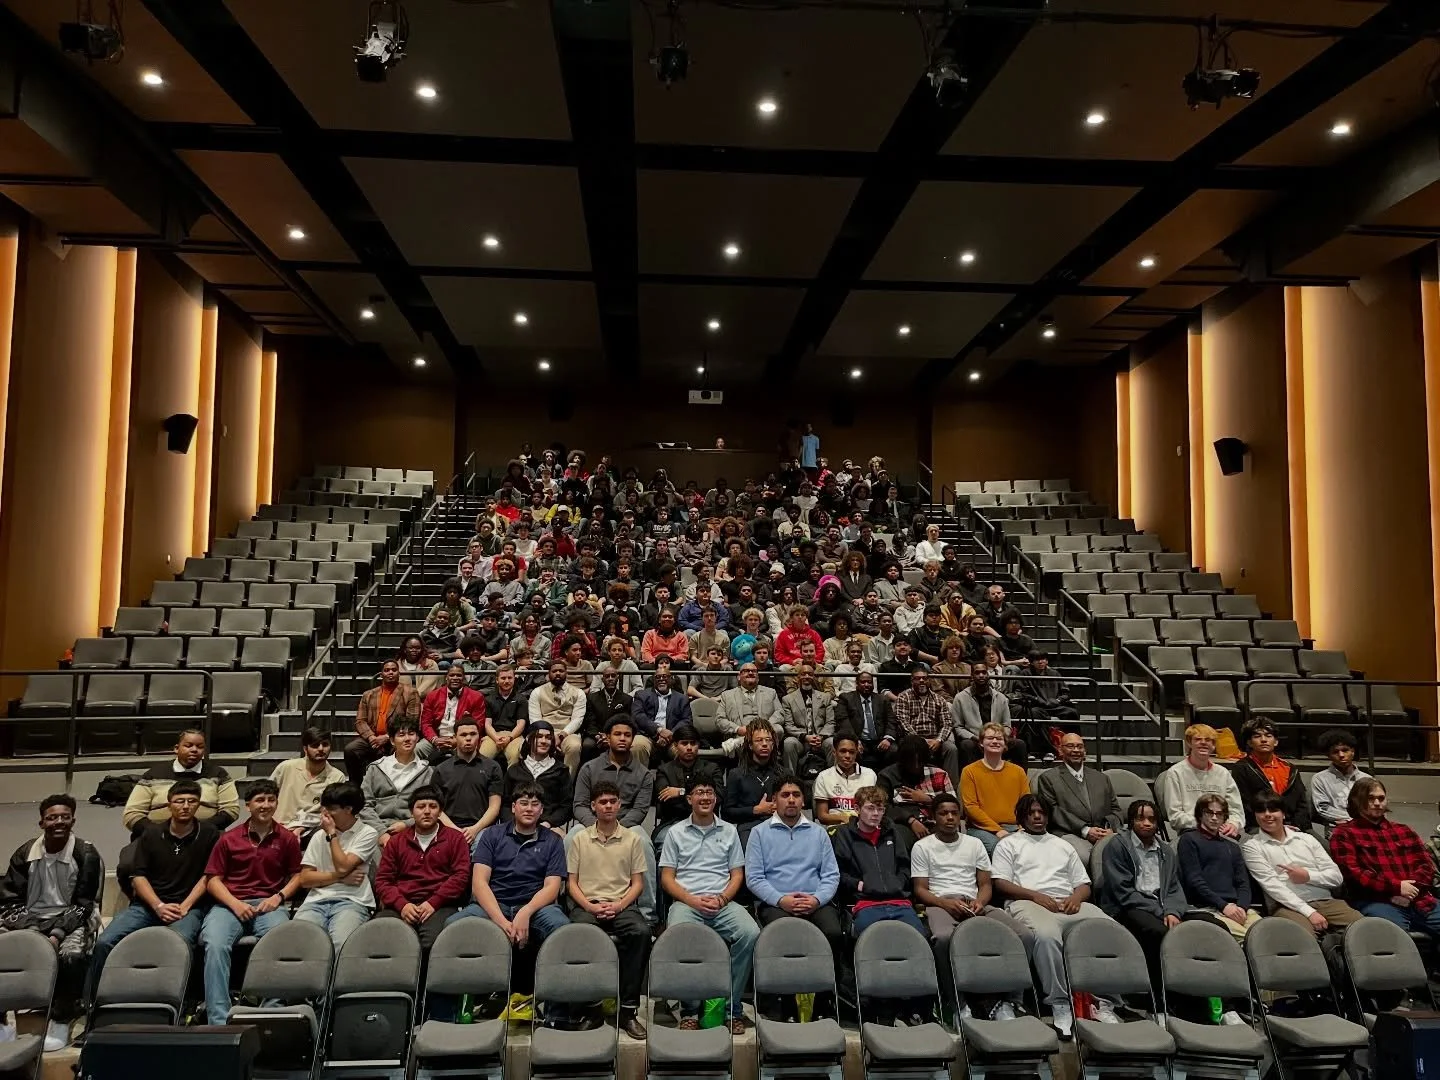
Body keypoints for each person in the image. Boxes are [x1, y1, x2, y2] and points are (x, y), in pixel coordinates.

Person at [991, 795, 1117, 1037]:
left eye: (1042, 812)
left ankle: (1104, 1002)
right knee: (1046, 936)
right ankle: (1059, 1002)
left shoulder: (1062, 845)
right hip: (1027, 902)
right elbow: (1001, 883)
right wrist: (1035, 896)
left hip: (1067, 902)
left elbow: (1083, 884)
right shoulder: (1009, 844)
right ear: (1021, 817)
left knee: (1107, 927)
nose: (1037, 817)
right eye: (1031, 813)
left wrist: (1077, 898)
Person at [910, 792, 1031, 1016]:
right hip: (941, 903)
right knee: (944, 938)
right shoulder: (923, 847)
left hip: (974, 902)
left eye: (954, 813)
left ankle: (1012, 998)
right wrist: (945, 903)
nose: (949, 818)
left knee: (1025, 935)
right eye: (943, 813)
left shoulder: (974, 844)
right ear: (934, 817)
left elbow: (985, 884)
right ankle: (956, 1000)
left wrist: (980, 901)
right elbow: (920, 890)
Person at [90, 782, 217, 991]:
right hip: (147, 907)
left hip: (187, 908)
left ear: (198, 805)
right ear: (169, 805)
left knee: (179, 943)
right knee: (105, 942)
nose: (185, 806)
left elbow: (209, 876)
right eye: (179, 801)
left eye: (191, 801)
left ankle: (177, 1001)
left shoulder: (210, 834)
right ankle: (94, 1002)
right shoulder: (151, 834)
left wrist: (185, 906)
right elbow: (138, 876)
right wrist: (158, 906)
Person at [449, 781, 570, 997]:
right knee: (454, 926)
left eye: (535, 804)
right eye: (523, 803)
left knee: (562, 930)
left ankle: (556, 1010)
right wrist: (501, 921)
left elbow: (552, 887)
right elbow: (479, 883)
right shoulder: (492, 835)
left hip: (536, 907)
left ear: (542, 810)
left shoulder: (553, 841)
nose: (529, 809)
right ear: (513, 807)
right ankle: (455, 1006)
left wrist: (526, 911)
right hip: (495, 904)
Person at [0, 795, 101, 1050]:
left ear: (73, 820)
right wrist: (33, 931)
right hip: (29, 919)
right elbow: (9, 901)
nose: (59, 822)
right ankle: (2, 1023)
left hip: (72, 917)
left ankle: (61, 1016)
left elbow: (84, 904)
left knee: (72, 955)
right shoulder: (25, 853)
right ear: (41, 823)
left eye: (65, 817)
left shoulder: (86, 853)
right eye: (52, 817)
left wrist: (56, 934)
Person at [659, 776, 758, 1034]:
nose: (705, 797)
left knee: (750, 934)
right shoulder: (675, 832)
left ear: (715, 798)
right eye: (699, 793)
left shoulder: (729, 830)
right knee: (679, 936)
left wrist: (723, 898)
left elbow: (737, 874)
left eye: (710, 793)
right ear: (689, 798)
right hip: (687, 901)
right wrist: (691, 899)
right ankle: (690, 1009)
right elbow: (667, 878)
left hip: (721, 901)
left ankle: (730, 1007)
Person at [200, 779, 302, 1025]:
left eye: (271, 800)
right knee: (214, 944)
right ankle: (219, 1019)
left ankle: (270, 1012)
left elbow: (298, 876)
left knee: (281, 942)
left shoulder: (287, 838)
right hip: (230, 903)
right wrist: (235, 904)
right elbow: (213, 879)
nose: (265, 805)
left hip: (269, 904)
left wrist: (278, 897)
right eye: (259, 800)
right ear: (248, 805)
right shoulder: (229, 839)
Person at [566, 780, 651, 1039]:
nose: (608, 806)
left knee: (641, 932)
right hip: (587, 904)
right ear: (593, 806)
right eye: (602, 802)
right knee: (581, 934)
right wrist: (590, 905)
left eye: (612, 801)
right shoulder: (579, 839)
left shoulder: (632, 839)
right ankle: (591, 1008)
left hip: (621, 903)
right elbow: (571, 883)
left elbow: (637, 884)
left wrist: (619, 905)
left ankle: (627, 1011)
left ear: (620, 804)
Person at [1096, 799, 1187, 997]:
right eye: (1140, 818)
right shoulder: (1117, 846)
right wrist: (1161, 911)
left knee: (1207, 926)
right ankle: (1160, 996)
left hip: (1163, 907)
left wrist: (1172, 911)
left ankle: (1215, 1000)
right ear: (1131, 821)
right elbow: (1123, 891)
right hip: (1126, 907)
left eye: (1152, 820)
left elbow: (1174, 887)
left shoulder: (1166, 851)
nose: (1147, 823)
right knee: (1158, 932)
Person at [1330, 777, 1440, 940]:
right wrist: (1396, 888)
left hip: (1419, 899)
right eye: (1370, 798)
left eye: (1381, 798)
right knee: (1392, 940)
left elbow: (1426, 866)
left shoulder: (1404, 830)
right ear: (1356, 801)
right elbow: (1354, 874)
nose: (1377, 803)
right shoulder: (1344, 833)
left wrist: (1409, 891)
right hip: (1376, 901)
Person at [745, 774, 842, 953]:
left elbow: (831, 875)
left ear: (803, 800)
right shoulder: (759, 833)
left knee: (833, 933)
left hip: (815, 900)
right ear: (774, 799)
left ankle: (833, 979)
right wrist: (781, 900)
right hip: (776, 903)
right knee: (785, 935)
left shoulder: (819, 832)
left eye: (796, 795)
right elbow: (754, 878)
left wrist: (817, 899)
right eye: (785, 795)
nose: (791, 800)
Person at [1243, 793, 1360, 936]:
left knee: (1364, 928)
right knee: (1302, 937)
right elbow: (1272, 885)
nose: (1267, 814)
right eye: (1261, 811)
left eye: (1273, 810)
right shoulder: (1252, 846)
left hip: (1326, 901)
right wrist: (1309, 912)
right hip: (1286, 906)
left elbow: (1336, 877)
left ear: (1283, 814)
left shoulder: (1306, 839)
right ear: (1255, 816)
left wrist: (1308, 876)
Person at [373, 787, 471, 949]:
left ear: (440, 812)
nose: (427, 811)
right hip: (401, 905)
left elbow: (460, 877)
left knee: (434, 943)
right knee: (385, 939)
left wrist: (433, 902)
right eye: (421, 807)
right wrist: (402, 904)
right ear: (412, 812)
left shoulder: (455, 839)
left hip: (440, 905)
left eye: (433, 806)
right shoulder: (397, 841)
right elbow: (383, 880)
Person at [295, 782, 380, 949]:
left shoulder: (367, 833)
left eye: (331, 809)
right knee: (300, 942)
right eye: (323, 808)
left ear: (348, 809)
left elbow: (342, 866)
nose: (324, 814)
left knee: (341, 943)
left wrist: (332, 835)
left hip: (352, 900)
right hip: (315, 901)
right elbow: (305, 879)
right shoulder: (319, 836)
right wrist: (340, 878)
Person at [831, 787, 924, 935]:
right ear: (857, 809)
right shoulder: (844, 834)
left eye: (880, 809)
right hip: (864, 903)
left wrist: (897, 883)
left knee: (919, 937)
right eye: (870, 808)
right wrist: (859, 885)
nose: (875, 814)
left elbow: (904, 866)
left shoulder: (893, 833)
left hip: (899, 902)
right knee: (869, 939)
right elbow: (839, 871)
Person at [121, 729, 239, 838]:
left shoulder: (218, 774)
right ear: (176, 748)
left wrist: (199, 829)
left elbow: (231, 810)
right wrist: (157, 832)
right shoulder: (153, 774)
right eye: (188, 745)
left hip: (206, 836)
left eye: (200, 746)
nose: (194, 750)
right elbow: (132, 813)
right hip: (157, 836)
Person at [1176, 794, 1259, 939]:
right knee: (1250, 939)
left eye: (1219, 814)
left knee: (1268, 935)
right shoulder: (1189, 840)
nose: (1214, 818)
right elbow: (1195, 881)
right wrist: (1224, 906)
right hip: (1207, 908)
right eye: (1209, 813)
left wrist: (1242, 908)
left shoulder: (1232, 847)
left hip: (1237, 908)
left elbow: (1243, 883)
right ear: (1200, 815)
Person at [1033, 733, 1120, 864]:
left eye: (1080, 747)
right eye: (1070, 746)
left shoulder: (1101, 778)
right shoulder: (1048, 778)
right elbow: (1053, 811)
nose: (1076, 750)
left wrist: (1109, 829)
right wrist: (1086, 830)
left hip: (1103, 833)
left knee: (1124, 853)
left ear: (1085, 751)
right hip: (1069, 833)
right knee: (1084, 857)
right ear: (1060, 750)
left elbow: (1115, 809)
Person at [1154, 724, 1243, 835]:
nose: (1203, 743)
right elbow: (1175, 816)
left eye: (1208, 740)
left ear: (1214, 745)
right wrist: (1207, 824)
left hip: (1222, 831)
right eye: (1198, 739)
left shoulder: (1223, 773)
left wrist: (1233, 824)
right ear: (1189, 743)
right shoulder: (1175, 773)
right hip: (1191, 831)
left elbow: (1236, 810)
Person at [345, 660, 423, 785]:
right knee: (351, 749)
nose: (390, 673)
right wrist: (371, 737)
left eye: (394, 670)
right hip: (372, 739)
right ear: (381, 674)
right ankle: (356, 786)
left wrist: (388, 737)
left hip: (396, 738)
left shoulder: (410, 693)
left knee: (401, 749)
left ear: (399, 673)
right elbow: (360, 721)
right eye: (387, 670)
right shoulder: (368, 695)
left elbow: (411, 721)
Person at [359, 719, 435, 847]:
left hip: (415, 830)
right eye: (401, 735)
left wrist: (407, 824)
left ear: (417, 738)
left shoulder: (427, 772)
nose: (407, 739)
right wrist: (381, 832)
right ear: (392, 740)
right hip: (376, 829)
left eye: (411, 734)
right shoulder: (376, 768)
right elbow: (363, 804)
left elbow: (433, 808)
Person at [1230, 718, 1312, 833]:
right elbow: (1245, 805)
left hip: (1294, 827)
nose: (1263, 740)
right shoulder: (1242, 768)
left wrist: (1297, 827)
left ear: (1276, 741)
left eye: (1268, 736)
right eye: (1257, 736)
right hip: (1258, 827)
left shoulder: (1290, 768)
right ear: (1249, 742)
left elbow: (1301, 804)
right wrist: (1277, 827)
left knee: (1323, 847)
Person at [960, 723, 1030, 855]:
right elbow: (971, 807)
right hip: (982, 829)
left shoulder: (1018, 771)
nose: (995, 741)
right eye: (990, 738)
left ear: (1005, 744)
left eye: (999, 738)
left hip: (1016, 828)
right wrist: (998, 830)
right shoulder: (969, 771)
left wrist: (1022, 828)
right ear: (981, 743)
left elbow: (1026, 804)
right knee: (1002, 850)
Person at [432, 718, 504, 845]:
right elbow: (436, 808)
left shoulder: (492, 767)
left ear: (479, 736)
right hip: (448, 828)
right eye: (463, 735)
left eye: (473, 734)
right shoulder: (441, 769)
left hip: (483, 828)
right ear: (455, 738)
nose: (468, 738)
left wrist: (475, 830)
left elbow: (495, 806)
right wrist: (455, 831)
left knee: (482, 847)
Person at [652, 725, 721, 851]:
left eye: (693, 743)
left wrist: (680, 792)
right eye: (684, 743)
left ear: (698, 745)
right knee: (663, 844)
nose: (689, 748)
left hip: (705, 822)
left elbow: (719, 797)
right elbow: (666, 799)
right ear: (675, 746)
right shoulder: (665, 770)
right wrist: (700, 798)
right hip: (673, 821)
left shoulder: (711, 768)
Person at [877, 734, 955, 844]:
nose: (916, 766)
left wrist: (928, 799)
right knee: (899, 837)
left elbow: (953, 805)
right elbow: (881, 807)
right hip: (903, 824)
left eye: (920, 762)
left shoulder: (939, 774)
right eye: (911, 763)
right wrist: (910, 820)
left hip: (935, 822)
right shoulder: (887, 776)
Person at [270, 727, 346, 838]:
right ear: (305, 749)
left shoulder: (337, 777)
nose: (321, 749)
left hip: (310, 831)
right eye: (315, 745)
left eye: (325, 745)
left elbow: (331, 813)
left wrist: (301, 828)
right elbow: (265, 794)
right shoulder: (286, 767)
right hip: (278, 827)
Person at [890, 668, 961, 780]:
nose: (922, 681)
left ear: (930, 681)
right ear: (912, 681)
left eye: (925, 678)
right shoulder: (904, 697)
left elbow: (947, 723)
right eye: (918, 679)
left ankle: (952, 787)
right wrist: (920, 740)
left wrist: (938, 740)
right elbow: (902, 721)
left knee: (951, 748)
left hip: (934, 739)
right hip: (911, 738)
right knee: (911, 747)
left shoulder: (939, 699)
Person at [502, 722, 572, 834]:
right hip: (516, 827)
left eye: (548, 738)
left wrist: (549, 823)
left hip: (549, 828)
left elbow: (566, 806)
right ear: (529, 739)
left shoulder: (561, 771)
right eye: (539, 737)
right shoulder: (514, 770)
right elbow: (505, 804)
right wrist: (515, 824)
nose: (544, 741)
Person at [723, 721, 785, 844]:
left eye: (768, 740)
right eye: (759, 740)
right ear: (750, 745)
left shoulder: (784, 774)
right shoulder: (736, 774)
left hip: (779, 825)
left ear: (773, 744)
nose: (764, 744)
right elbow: (726, 813)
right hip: (749, 827)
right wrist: (755, 810)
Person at [529, 660, 589, 774]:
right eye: (554, 671)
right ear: (549, 673)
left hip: (568, 732)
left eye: (561, 671)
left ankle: (567, 783)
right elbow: (535, 719)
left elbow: (577, 719)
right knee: (531, 743)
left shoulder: (578, 693)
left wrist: (561, 735)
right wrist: (548, 736)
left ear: (566, 673)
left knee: (574, 746)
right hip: (543, 731)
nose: (557, 673)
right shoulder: (537, 692)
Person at [420, 665, 487, 763]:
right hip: (436, 738)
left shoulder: (476, 697)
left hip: (462, 738)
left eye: (458, 675)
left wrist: (457, 740)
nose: (455, 678)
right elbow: (426, 723)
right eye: (452, 675)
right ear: (446, 677)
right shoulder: (432, 696)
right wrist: (435, 739)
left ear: (463, 678)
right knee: (417, 749)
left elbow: (478, 724)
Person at [779, 663, 836, 774]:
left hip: (821, 739)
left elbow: (830, 722)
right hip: (800, 740)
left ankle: (833, 778)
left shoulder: (825, 697)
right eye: (803, 674)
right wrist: (806, 737)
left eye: (810, 674)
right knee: (788, 743)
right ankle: (790, 778)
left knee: (832, 742)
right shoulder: (788, 699)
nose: (806, 676)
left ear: (814, 677)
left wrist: (821, 737)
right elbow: (789, 726)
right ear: (798, 677)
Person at [1310, 728, 1369, 834]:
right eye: (1335, 752)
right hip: (1337, 830)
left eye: (1345, 750)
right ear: (1329, 756)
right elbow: (1323, 808)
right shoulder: (1320, 779)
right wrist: (1352, 820)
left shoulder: (1367, 779)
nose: (1341, 755)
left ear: (1353, 751)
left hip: (1366, 828)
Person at [716, 662, 781, 758]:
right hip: (741, 733)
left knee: (778, 729)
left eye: (754, 671)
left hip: (765, 734)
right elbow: (719, 720)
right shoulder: (727, 695)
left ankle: (739, 743)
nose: (750, 673)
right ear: (739, 677)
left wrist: (764, 727)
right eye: (746, 671)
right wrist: (737, 729)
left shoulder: (771, 692)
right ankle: (743, 741)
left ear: (758, 677)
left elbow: (780, 713)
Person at [834, 669, 896, 767]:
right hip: (858, 739)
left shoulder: (882, 699)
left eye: (869, 682)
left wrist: (887, 738)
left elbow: (891, 720)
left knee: (893, 750)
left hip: (880, 740)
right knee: (851, 750)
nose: (866, 685)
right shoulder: (846, 698)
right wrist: (854, 740)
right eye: (863, 682)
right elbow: (843, 721)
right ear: (857, 684)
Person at [812, 733, 876, 827]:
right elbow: (822, 816)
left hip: (864, 828)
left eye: (851, 752)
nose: (847, 755)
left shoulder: (870, 775)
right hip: (837, 829)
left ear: (856, 752)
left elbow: (874, 809)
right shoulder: (823, 776)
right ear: (834, 752)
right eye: (843, 751)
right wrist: (844, 818)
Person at [631, 665, 687, 764]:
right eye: (658, 677)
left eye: (665, 676)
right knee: (637, 746)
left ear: (670, 679)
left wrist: (671, 734)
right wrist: (659, 731)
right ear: (653, 680)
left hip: (673, 737)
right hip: (647, 735)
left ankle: (682, 779)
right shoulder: (642, 695)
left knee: (685, 750)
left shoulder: (681, 698)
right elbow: (638, 716)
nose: (661, 679)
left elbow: (686, 720)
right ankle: (639, 778)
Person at [481, 664, 529, 765]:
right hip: (493, 736)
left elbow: (521, 724)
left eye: (509, 678)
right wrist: (496, 738)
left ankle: (512, 781)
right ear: (497, 680)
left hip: (514, 736)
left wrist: (509, 738)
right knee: (482, 756)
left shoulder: (521, 699)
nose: (506, 681)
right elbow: (487, 724)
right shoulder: (489, 699)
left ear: (514, 679)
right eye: (503, 678)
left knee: (516, 755)